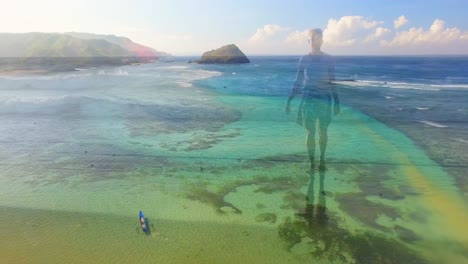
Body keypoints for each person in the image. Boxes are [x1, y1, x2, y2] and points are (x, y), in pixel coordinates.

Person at [285, 28, 340, 170]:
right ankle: (311, 162)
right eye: (315, 38)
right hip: (308, 99)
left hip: (325, 100)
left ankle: (322, 160)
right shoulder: (304, 59)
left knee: (323, 131)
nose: (318, 40)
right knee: (310, 132)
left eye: (320, 38)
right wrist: (289, 100)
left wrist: (336, 102)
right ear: (309, 41)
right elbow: (297, 81)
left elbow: (333, 81)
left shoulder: (329, 59)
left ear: (322, 40)